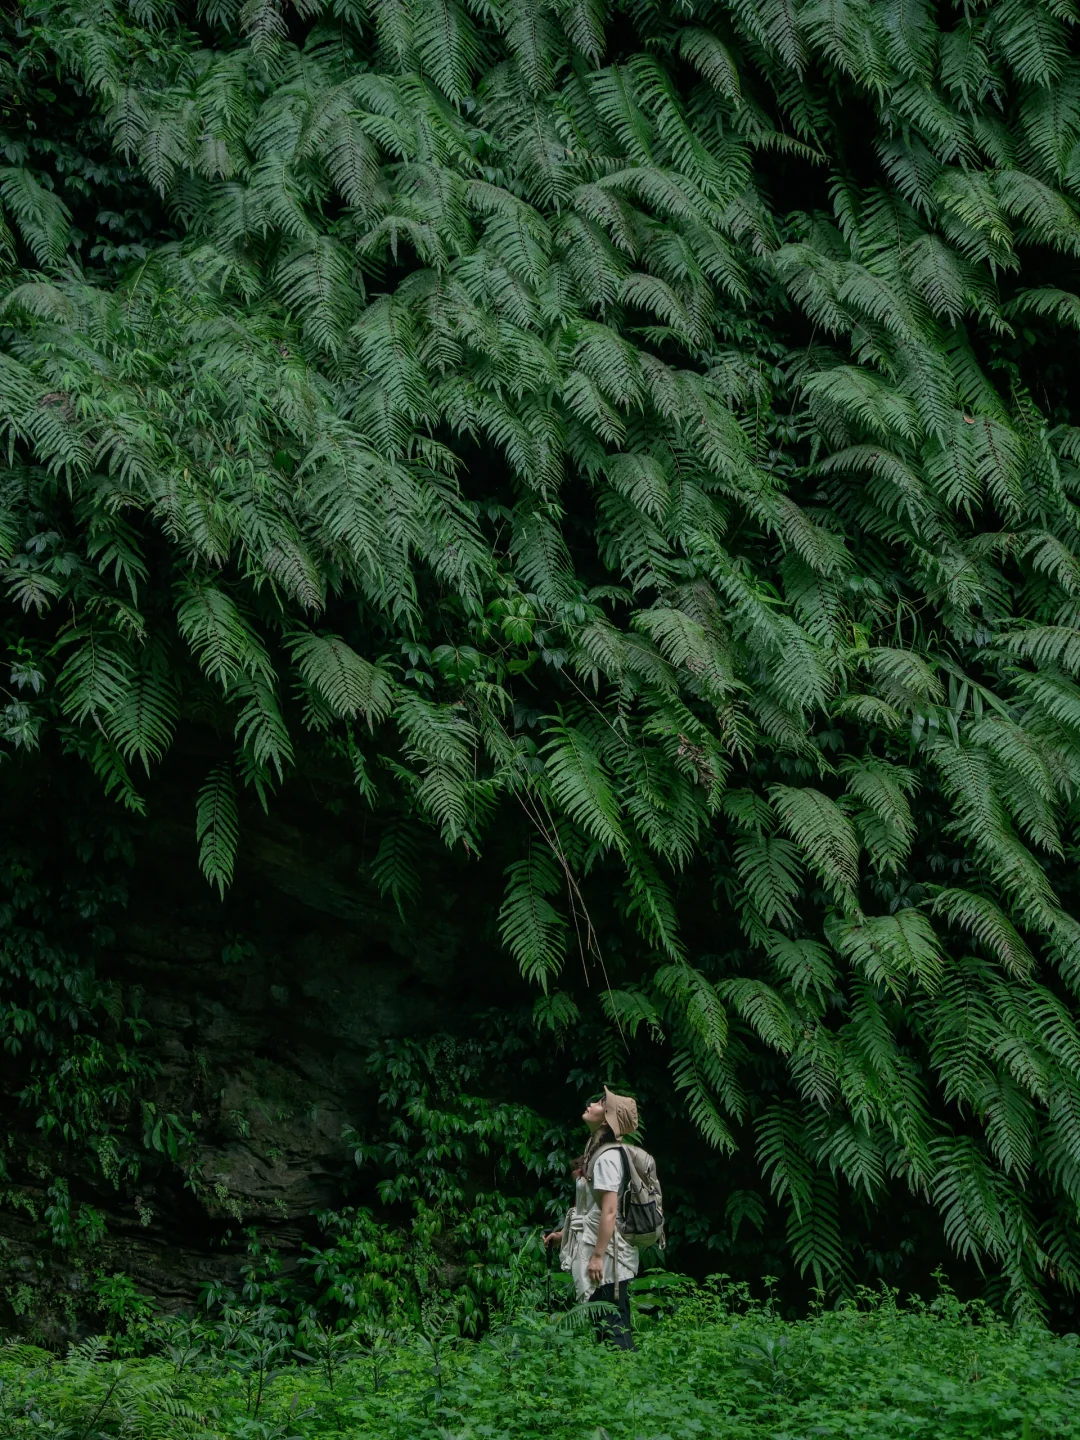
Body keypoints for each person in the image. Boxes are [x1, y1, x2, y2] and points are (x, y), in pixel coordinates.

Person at [544, 1086, 640, 1350]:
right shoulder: (598, 1150)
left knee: (612, 1323)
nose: (592, 1104)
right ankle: (617, 1381)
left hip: (610, 1255)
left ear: (608, 1119)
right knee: (604, 1321)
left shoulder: (608, 1157)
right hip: (602, 1247)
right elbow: (595, 1211)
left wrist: (597, 1256)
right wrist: (564, 1236)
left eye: (600, 1103)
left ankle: (626, 1381)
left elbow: (610, 1211)